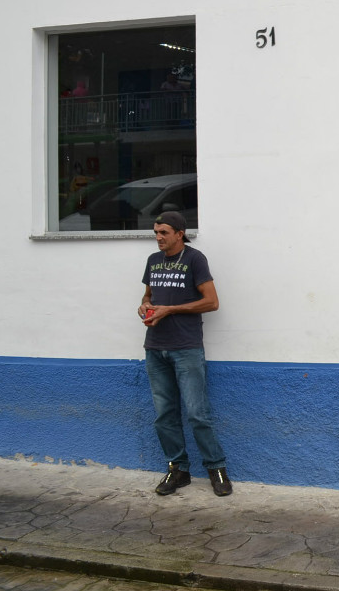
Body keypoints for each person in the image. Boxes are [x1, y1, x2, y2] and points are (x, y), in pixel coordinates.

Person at [137, 211, 232, 497]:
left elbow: (211, 302)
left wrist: (171, 310)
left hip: (186, 348)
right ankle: (178, 469)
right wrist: (145, 306)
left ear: (180, 233)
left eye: (164, 232)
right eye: (156, 232)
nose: (158, 237)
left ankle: (216, 468)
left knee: (196, 414)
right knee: (164, 415)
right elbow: (148, 295)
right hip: (155, 347)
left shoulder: (194, 259)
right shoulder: (153, 261)